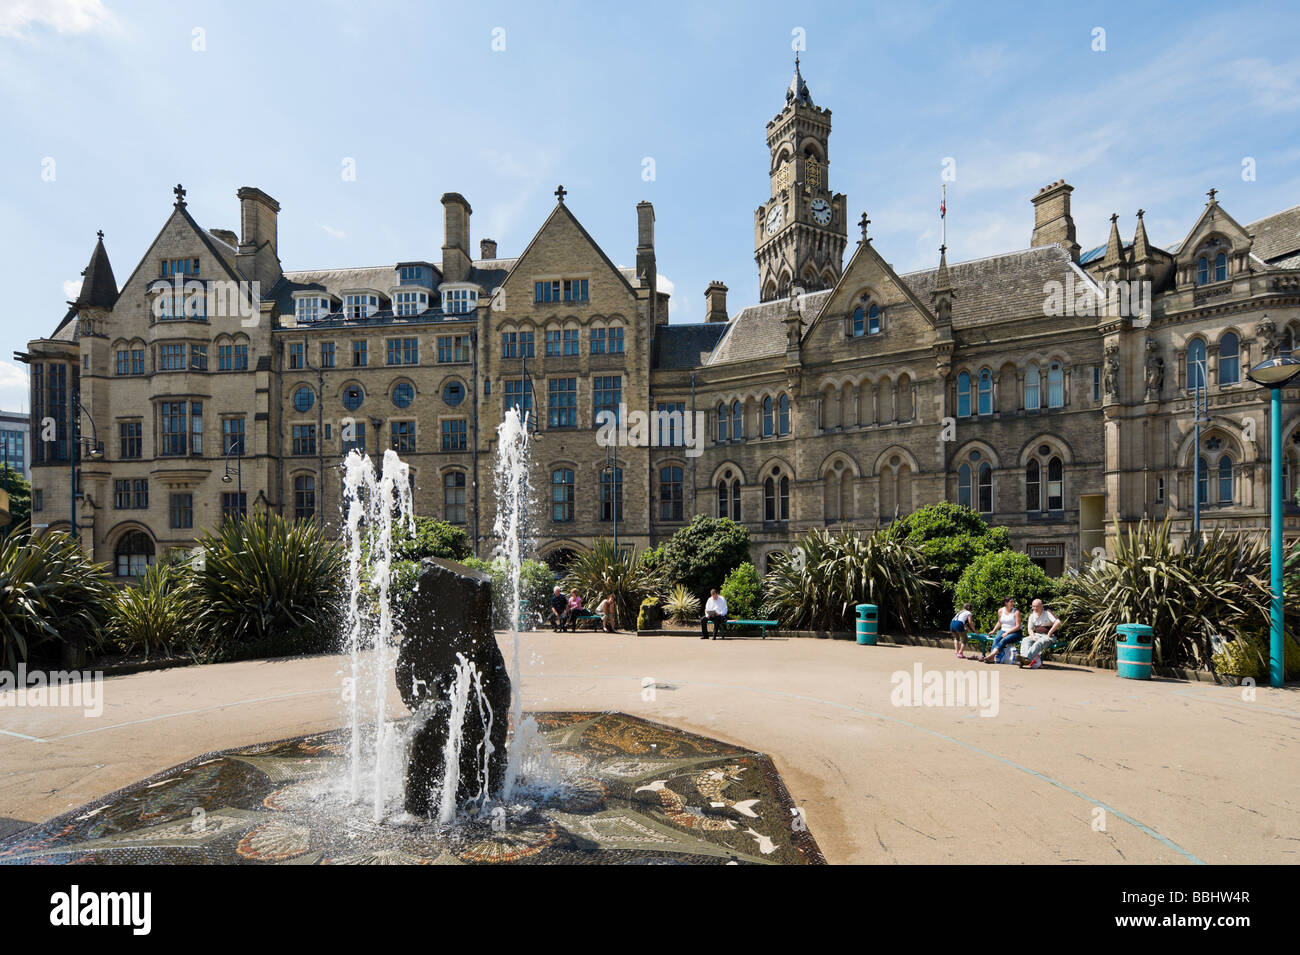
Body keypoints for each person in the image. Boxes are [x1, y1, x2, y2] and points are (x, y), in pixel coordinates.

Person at [1018, 598, 1061, 669]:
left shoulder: (1047, 612)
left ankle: (1027, 659)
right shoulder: (1032, 615)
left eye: (1037, 606)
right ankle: (1024, 658)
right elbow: (1030, 628)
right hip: (1037, 635)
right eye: (1033, 606)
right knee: (1026, 640)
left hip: (1049, 636)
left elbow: (1058, 622)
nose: (1035, 608)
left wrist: (1050, 632)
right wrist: (1033, 636)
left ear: (1042, 606)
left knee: (1039, 642)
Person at [980, 597, 1022, 663]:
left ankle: (991, 656)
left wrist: (1007, 632)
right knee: (996, 639)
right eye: (1011, 602)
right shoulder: (1000, 611)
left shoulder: (1016, 612)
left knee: (1004, 640)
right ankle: (991, 659)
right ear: (1006, 603)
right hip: (1003, 630)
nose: (1013, 603)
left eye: (1013, 601)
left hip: (1015, 632)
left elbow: (1018, 626)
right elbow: (1000, 622)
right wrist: (993, 630)